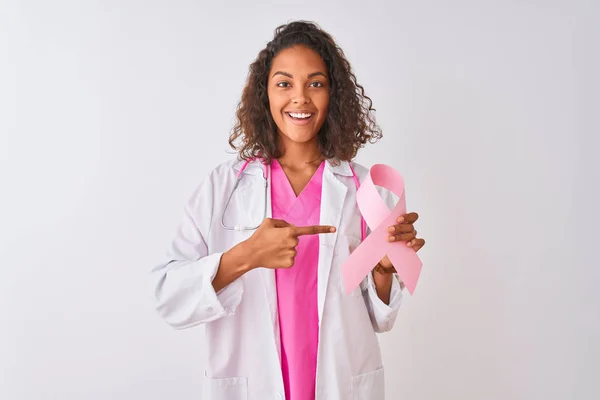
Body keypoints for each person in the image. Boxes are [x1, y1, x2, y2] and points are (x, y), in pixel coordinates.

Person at [151, 20, 426, 400]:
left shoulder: (367, 191)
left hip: (339, 383)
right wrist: (247, 255)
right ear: (265, 94)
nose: (300, 98)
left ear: (334, 95)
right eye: (284, 84)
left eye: (316, 83)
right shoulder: (223, 187)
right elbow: (168, 297)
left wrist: (383, 271)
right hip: (251, 383)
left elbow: (381, 319)